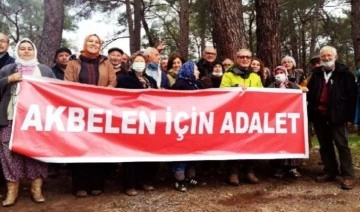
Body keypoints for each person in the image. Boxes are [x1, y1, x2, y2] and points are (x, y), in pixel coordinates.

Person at [0, 38, 56, 206]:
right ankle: (12, 190)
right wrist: (9, 79)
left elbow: (58, 91)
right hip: (11, 117)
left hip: (36, 119)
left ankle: (36, 189)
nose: (25, 51)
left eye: (29, 49)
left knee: (35, 152)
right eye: (22, 49)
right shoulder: (8, 69)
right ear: (17, 51)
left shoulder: (44, 70)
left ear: (34, 52)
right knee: (8, 152)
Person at [65, 34, 116, 197]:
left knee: (98, 146)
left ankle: (97, 184)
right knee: (79, 146)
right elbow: (68, 84)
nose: (93, 44)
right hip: (79, 111)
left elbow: (112, 82)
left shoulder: (106, 62)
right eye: (90, 41)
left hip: (100, 110)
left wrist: (108, 89)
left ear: (100, 45)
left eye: (97, 42)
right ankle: (80, 185)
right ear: (85, 43)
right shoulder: (73, 62)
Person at [307, 46, 356, 190]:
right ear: (321, 58)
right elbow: (310, 94)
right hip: (319, 115)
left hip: (338, 115)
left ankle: (347, 175)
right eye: (324, 56)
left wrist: (350, 117)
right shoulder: (316, 74)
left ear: (336, 57)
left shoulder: (345, 74)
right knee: (325, 145)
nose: (326, 58)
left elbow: (352, 97)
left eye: (329, 55)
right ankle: (330, 171)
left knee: (341, 144)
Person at [117, 53, 158, 196]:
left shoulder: (151, 80)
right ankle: (130, 184)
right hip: (131, 120)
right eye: (137, 61)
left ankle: (145, 181)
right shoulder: (124, 78)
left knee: (148, 152)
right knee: (131, 153)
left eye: (142, 61)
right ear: (132, 63)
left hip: (148, 121)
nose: (140, 63)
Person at [220, 49, 263, 185]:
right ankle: (233, 172)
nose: (245, 59)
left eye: (248, 57)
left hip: (251, 115)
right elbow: (222, 91)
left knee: (252, 143)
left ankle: (250, 171)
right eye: (242, 57)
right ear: (237, 58)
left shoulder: (255, 77)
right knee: (234, 143)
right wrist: (235, 87)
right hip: (234, 115)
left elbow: (263, 94)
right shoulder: (228, 75)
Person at [170, 61, 202, 192]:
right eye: (196, 69)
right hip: (182, 124)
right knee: (182, 152)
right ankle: (179, 178)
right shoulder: (180, 84)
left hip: (194, 123)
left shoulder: (196, 84)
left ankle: (190, 176)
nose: (198, 72)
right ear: (189, 70)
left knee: (192, 151)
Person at [268, 66, 302, 178]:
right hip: (276, 120)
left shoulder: (292, 86)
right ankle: (280, 167)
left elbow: (300, 97)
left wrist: (303, 91)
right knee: (277, 143)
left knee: (292, 142)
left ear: (286, 73)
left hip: (291, 119)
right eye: (277, 72)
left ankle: (293, 167)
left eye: (282, 72)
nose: (279, 74)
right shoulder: (271, 87)